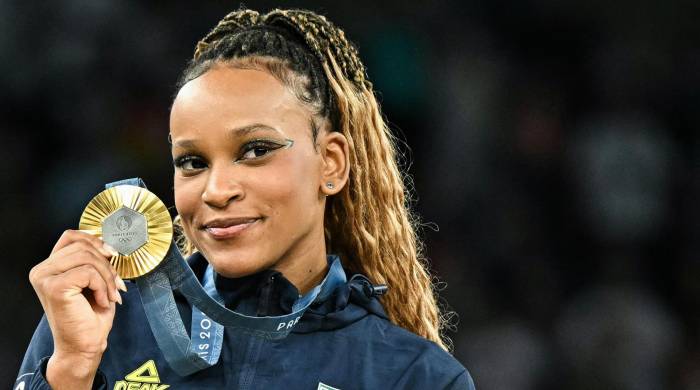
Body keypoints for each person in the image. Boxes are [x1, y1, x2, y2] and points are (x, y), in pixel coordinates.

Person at [16, 8, 475, 390]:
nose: (216, 191)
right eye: (192, 162)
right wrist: (73, 369)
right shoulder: (97, 326)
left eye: (256, 151)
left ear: (331, 163)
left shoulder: (413, 376)